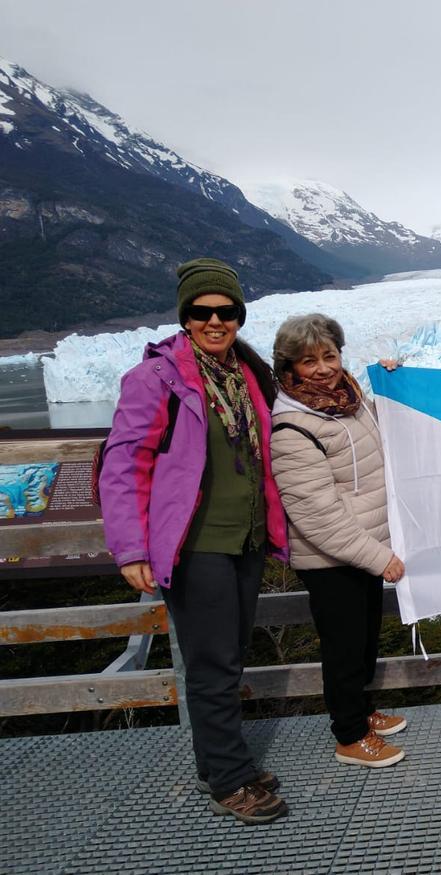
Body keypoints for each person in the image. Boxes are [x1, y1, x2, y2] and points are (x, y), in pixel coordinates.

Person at [100, 257, 291, 823]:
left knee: (228, 657)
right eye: (202, 311)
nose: (215, 321)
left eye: (226, 311)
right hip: (197, 543)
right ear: (186, 316)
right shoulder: (156, 378)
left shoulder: (249, 373)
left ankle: (219, 761)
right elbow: (124, 463)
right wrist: (131, 548)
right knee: (211, 662)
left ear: (238, 315)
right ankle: (230, 780)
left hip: (247, 539)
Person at [269, 314, 408, 767]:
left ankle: (362, 712)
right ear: (288, 367)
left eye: (329, 355)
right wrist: (377, 556)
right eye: (309, 361)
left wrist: (394, 382)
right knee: (344, 645)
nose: (324, 367)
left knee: (364, 638)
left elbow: (381, 435)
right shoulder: (293, 428)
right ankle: (349, 735)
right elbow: (315, 513)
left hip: (363, 548)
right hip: (332, 558)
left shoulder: (349, 400)